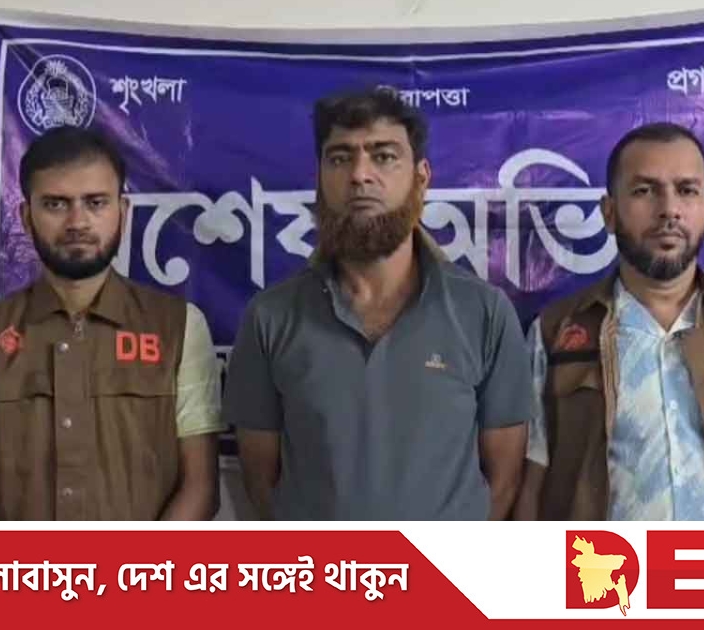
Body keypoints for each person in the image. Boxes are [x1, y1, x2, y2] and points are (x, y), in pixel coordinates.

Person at [222, 87, 532, 520]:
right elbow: (260, 480)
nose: (360, 175)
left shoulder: (484, 313)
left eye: (384, 156)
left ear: (421, 177)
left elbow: (504, 480)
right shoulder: (269, 317)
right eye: (340, 158)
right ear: (319, 178)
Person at [514, 122, 704, 521]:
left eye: (686, 190)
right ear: (609, 212)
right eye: (644, 191)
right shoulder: (556, 334)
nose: (669, 210)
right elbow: (534, 482)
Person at [0, 126, 224, 520]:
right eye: (55, 204)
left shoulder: (179, 328)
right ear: (26, 217)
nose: (77, 222)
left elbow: (200, 488)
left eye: (96, 202)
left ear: (123, 212)